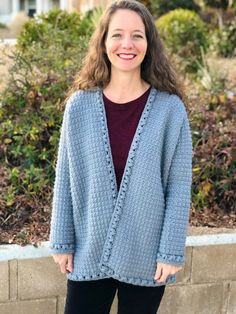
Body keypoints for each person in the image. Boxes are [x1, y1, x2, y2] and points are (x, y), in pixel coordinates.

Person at [49, 1, 192, 313]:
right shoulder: (79, 107)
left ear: (148, 43)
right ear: (103, 42)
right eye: (117, 35)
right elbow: (65, 178)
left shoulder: (170, 111)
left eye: (137, 35)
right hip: (88, 250)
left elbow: (179, 187)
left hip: (147, 254)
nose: (127, 44)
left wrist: (170, 250)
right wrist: (62, 241)